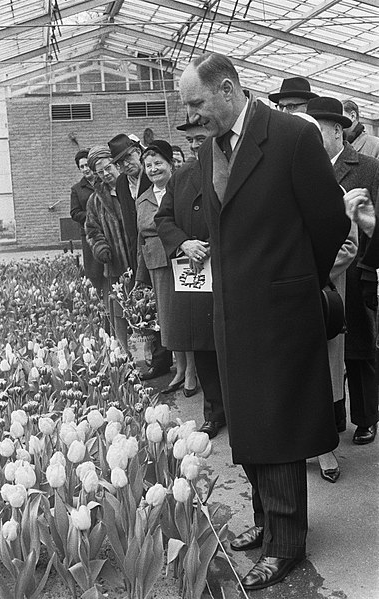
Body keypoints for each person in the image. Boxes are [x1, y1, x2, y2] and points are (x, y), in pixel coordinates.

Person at [179, 52, 350, 591]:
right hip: (233, 311)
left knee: (278, 424)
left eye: (197, 103)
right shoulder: (211, 150)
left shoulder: (291, 137)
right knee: (249, 422)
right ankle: (266, 520)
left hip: (280, 311)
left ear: (228, 89)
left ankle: (287, 545)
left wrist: (295, 281)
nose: (192, 115)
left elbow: (327, 219)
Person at [308, 97, 379, 446]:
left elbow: (373, 224)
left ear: (337, 130)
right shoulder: (306, 168)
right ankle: (335, 415)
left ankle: (366, 417)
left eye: (317, 132)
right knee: (329, 346)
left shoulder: (367, 167)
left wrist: (368, 270)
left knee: (360, 346)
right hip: (327, 277)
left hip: (358, 271)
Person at [155, 119, 226, 439]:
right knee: (204, 345)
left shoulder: (236, 170)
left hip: (229, 268)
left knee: (235, 345)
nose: (197, 145)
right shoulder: (181, 177)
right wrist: (184, 242)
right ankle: (214, 411)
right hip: (196, 276)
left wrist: (212, 244)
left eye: (202, 138)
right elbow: (163, 218)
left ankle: (244, 409)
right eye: (192, 140)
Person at [108, 133, 170, 380]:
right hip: (139, 250)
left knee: (165, 306)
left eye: (128, 158)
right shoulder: (123, 183)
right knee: (149, 306)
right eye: (120, 163)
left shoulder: (153, 173)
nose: (125, 165)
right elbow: (129, 223)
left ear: (138, 151)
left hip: (162, 246)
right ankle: (158, 360)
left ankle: (168, 359)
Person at [134, 140, 184, 385]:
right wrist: (139, 276)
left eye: (158, 163)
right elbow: (140, 238)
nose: (153, 169)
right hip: (156, 262)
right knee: (167, 319)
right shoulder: (143, 199)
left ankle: (190, 371)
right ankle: (178, 369)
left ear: (170, 164)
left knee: (185, 315)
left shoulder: (181, 188)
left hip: (181, 257)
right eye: (149, 165)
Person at [85, 146, 139, 355]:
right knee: (119, 311)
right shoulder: (96, 200)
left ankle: (149, 354)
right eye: (100, 171)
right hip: (116, 264)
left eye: (109, 167)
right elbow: (92, 229)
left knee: (144, 308)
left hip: (137, 260)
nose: (106, 174)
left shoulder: (134, 188)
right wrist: (101, 247)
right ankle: (126, 354)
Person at [70, 149, 104, 292]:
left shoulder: (103, 182)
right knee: (94, 271)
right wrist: (93, 215)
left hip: (108, 231)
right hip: (90, 234)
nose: (85, 169)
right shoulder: (77, 189)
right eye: (81, 167)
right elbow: (74, 213)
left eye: (86, 165)